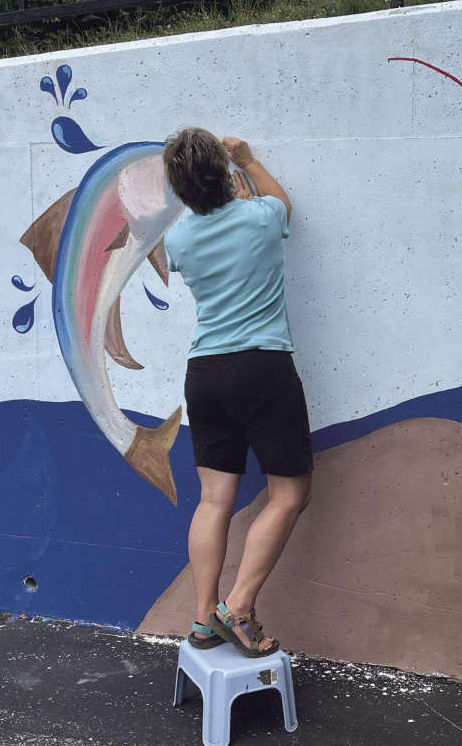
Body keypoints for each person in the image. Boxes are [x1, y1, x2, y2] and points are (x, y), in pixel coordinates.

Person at [162, 128, 312, 657]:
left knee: (213, 500)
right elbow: (282, 203)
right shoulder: (261, 217)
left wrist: (228, 193)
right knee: (290, 495)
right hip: (261, 366)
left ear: (180, 191)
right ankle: (238, 607)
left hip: (204, 372)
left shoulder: (177, 240)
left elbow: (210, 237)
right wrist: (247, 159)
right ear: (225, 175)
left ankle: (204, 619)